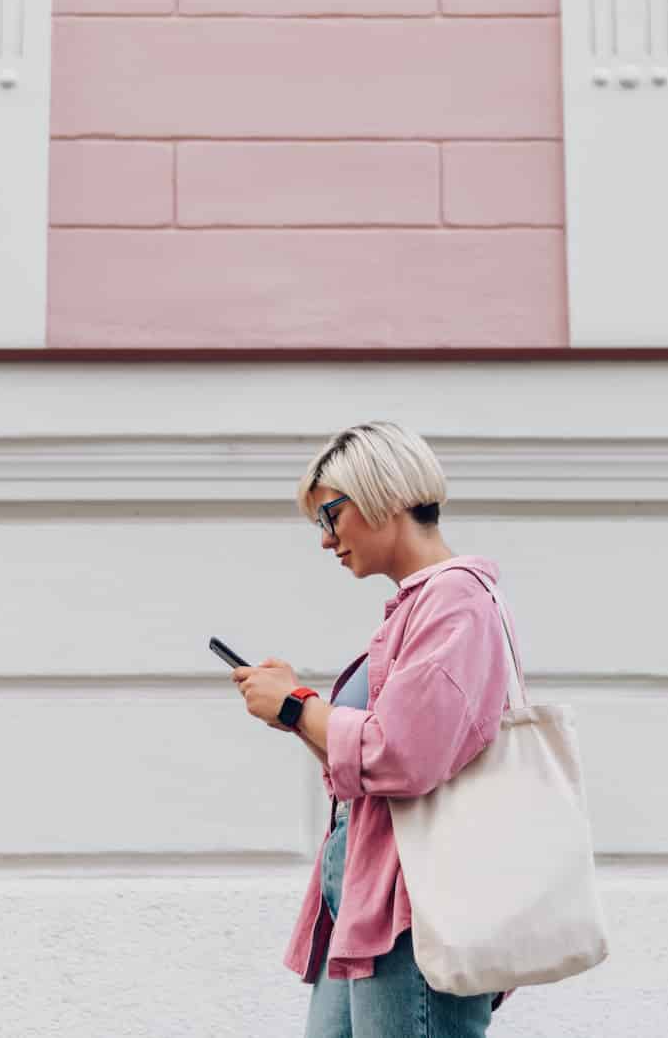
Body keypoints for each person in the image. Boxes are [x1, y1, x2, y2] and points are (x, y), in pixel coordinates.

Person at [232, 421, 519, 1037]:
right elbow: (376, 760)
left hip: (416, 910)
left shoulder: (456, 602)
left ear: (384, 494)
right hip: (369, 904)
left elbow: (403, 756)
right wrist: (300, 707)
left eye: (331, 515)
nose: (326, 539)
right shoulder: (418, 608)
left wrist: (294, 707)